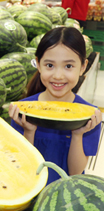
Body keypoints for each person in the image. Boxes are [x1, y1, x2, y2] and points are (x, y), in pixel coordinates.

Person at [9, 26, 102, 186]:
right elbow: (23, 167)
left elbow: (75, 173)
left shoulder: (90, 117)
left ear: (83, 67)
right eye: (50, 65)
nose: (58, 76)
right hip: (30, 192)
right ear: (38, 64)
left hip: (64, 198)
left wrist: (78, 135)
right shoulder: (22, 110)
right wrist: (29, 132)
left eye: (68, 66)